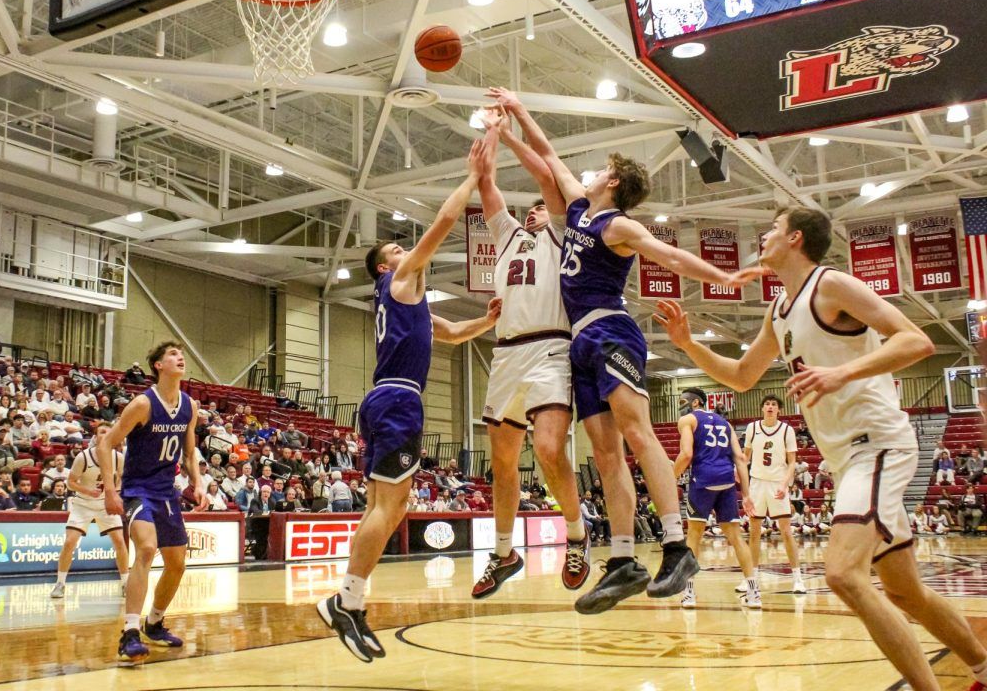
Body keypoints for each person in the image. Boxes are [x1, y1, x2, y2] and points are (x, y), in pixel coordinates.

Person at [656, 206, 987, 691]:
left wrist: (840, 373)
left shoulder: (832, 285)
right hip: (848, 459)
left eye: (771, 227)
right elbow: (742, 376)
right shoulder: (778, 310)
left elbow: (916, 341)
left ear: (794, 238)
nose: (763, 235)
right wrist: (688, 346)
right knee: (905, 591)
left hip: (878, 445)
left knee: (842, 574)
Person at [490, 86, 762, 616]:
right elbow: (547, 160)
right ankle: (622, 561)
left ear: (612, 182)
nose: (586, 174)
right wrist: (511, 123)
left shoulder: (616, 225)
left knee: (636, 434)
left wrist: (726, 275)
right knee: (605, 453)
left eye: (598, 171)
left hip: (612, 330)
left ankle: (677, 545)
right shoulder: (575, 214)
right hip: (580, 344)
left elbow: (672, 257)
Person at [317, 135, 503, 663]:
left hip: (383, 399)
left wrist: (487, 321)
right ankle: (346, 600)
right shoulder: (399, 280)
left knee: (382, 507)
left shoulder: (408, 303)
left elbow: (450, 333)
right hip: (398, 401)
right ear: (383, 267)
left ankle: (349, 601)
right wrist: (473, 176)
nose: (405, 252)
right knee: (392, 507)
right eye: (395, 251)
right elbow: (442, 226)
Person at [470, 111, 588, 600]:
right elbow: (488, 186)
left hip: (550, 347)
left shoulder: (562, 237)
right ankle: (503, 555)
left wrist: (514, 128)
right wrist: (489, 137)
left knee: (548, 449)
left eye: (545, 206)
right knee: (502, 463)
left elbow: (548, 173)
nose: (538, 209)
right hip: (507, 352)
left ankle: (578, 537)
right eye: (534, 208)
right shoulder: (507, 238)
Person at [100, 341, 203, 663]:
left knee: (177, 564)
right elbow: (106, 443)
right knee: (145, 548)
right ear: (158, 365)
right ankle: (129, 632)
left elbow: (188, 452)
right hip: (137, 489)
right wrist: (110, 490)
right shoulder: (143, 404)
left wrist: (197, 482)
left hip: (167, 491)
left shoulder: (190, 406)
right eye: (172, 354)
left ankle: (154, 622)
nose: (180, 357)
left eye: (181, 354)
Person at [672, 388, 761, 609]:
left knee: (693, 536)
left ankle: (689, 593)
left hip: (703, 480)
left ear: (695, 403)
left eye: (684, 401)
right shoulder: (725, 422)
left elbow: (686, 454)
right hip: (727, 482)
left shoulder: (688, 420)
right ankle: (754, 593)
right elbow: (740, 458)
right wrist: (747, 494)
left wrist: (669, 478)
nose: (681, 405)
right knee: (736, 537)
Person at [51, 424, 129, 599]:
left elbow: (123, 479)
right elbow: (70, 482)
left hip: (105, 504)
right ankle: (60, 583)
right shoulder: (83, 457)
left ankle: (125, 583)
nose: (106, 434)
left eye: (109, 432)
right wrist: (88, 491)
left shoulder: (118, 457)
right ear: (95, 436)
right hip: (83, 503)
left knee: (119, 541)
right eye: (102, 431)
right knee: (70, 542)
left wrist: (114, 492)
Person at [742, 394, 807, 594]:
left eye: (774, 404)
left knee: (786, 532)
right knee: (754, 532)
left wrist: (785, 484)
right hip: (757, 483)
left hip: (777, 483)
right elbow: (745, 458)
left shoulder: (787, 430)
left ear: (779, 410)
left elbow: (792, 462)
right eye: (767, 404)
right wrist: (742, 479)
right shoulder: (752, 428)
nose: (770, 407)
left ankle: (798, 579)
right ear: (762, 408)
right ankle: (750, 579)